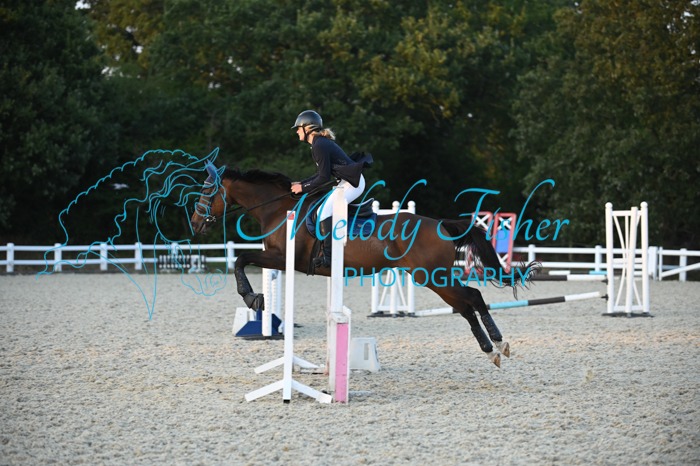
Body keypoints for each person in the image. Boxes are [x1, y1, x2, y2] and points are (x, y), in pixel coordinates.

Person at [290, 110, 371, 268]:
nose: (297, 132)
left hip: (352, 184)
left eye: (298, 128)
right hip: (346, 182)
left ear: (308, 128)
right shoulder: (319, 143)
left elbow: (323, 178)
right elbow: (321, 174)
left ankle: (328, 257)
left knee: (324, 212)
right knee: (323, 209)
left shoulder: (319, 145)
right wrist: (301, 183)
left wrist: (303, 188)